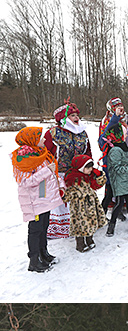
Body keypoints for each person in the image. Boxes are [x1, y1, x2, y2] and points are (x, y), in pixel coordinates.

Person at [10, 126, 63, 272]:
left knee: (44, 226)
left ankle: (43, 253)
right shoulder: (24, 158)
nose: (44, 139)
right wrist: (48, 171)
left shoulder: (41, 154)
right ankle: (34, 261)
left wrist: (60, 185)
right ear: (32, 139)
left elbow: (52, 174)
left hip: (45, 200)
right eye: (41, 137)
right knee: (35, 230)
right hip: (34, 202)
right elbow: (26, 182)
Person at [44, 101, 92, 240]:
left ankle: (79, 226)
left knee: (79, 200)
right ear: (63, 118)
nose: (76, 117)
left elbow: (88, 151)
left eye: (77, 115)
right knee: (61, 201)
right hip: (59, 174)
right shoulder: (53, 133)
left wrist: (89, 167)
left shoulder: (82, 132)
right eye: (72, 115)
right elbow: (45, 153)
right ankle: (59, 229)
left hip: (79, 173)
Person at [63, 154, 107, 252]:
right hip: (79, 207)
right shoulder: (72, 178)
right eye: (88, 168)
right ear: (80, 168)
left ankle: (89, 239)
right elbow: (68, 194)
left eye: (91, 167)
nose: (91, 169)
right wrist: (65, 194)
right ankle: (80, 244)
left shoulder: (89, 176)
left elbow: (97, 185)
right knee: (80, 225)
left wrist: (99, 175)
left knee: (91, 222)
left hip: (91, 204)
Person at [105, 133, 128, 236]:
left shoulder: (122, 146)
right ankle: (111, 225)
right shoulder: (115, 150)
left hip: (126, 179)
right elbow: (116, 168)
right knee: (119, 203)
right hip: (119, 181)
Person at [99, 98, 128, 215]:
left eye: (121, 105)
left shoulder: (126, 118)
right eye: (116, 106)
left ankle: (121, 207)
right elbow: (104, 137)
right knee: (111, 186)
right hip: (111, 157)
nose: (120, 108)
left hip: (124, 156)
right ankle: (104, 211)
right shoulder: (106, 121)